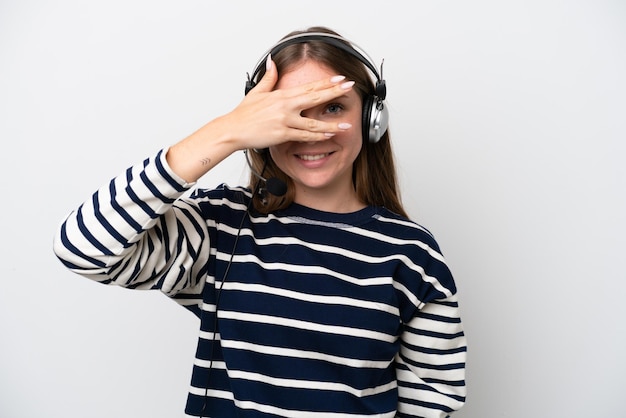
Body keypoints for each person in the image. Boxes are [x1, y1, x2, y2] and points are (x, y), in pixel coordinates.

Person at [53, 26, 467, 418]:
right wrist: (226, 132)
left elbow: (431, 401)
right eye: (290, 113)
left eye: (333, 107)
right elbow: (83, 249)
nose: (312, 132)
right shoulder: (221, 228)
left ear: (371, 118)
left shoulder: (412, 252)